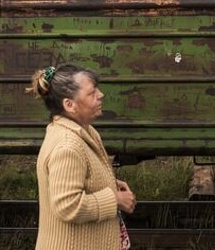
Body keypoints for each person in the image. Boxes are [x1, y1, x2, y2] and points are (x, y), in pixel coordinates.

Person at [27, 64, 136, 250]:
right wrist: (115, 199)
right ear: (69, 105)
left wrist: (108, 182)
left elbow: (79, 175)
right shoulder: (67, 146)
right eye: (92, 93)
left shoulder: (83, 130)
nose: (100, 95)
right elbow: (68, 205)